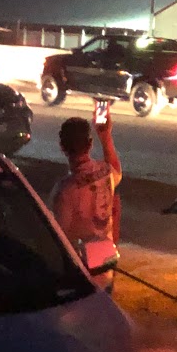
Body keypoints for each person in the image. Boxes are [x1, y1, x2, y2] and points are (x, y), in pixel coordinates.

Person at [50, 100, 122, 285]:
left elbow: (61, 239)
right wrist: (105, 136)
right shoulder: (106, 173)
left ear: (62, 147)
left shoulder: (65, 190)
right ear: (90, 144)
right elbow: (116, 171)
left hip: (82, 275)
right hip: (106, 264)